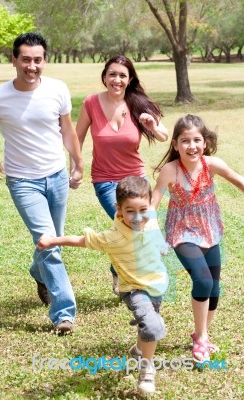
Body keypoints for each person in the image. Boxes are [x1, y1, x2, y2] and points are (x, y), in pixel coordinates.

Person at [0, 32, 83, 334]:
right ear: (14, 60)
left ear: (45, 61)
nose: (32, 66)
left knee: (54, 239)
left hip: (57, 175)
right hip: (23, 181)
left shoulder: (57, 89)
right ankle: (64, 313)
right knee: (50, 244)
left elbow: (67, 129)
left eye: (38, 60)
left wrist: (77, 162)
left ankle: (38, 272)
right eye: (26, 59)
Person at [37, 176, 169, 394]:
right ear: (119, 209)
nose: (138, 217)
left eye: (143, 209)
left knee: (147, 322)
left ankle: (138, 349)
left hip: (156, 285)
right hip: (134, 289)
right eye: (130, 211)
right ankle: (146, 370)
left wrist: (162, 245)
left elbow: (154, 233)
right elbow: (80, 240)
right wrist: (52, 241)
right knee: (153, 325)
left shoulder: (151, 219)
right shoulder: (112, 237)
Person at [152, 114, 244, 362]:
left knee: (214, 288)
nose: (191, 146)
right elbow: (153, 202)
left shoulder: (212, 164)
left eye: (196, 140)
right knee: (203, 282)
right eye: (185, 141)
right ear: (175, 145)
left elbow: (239, 181)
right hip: (182, 232)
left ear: (204, 143)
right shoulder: (169, 171)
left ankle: (201, 334)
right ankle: (202, 340)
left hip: (209, 229)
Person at [74, 55, 168, 294]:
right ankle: (128, 277)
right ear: (104, 77)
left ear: (130, 79)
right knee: (129, 227)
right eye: (112, 74)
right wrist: (76, 166)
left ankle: (125, 274)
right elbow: (77, 138)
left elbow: (164, 136)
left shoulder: (137, 104)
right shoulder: (91, 103)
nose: (117, 79)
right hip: (105, 181)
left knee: (137, 227)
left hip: (136, 179)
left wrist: (152, 126)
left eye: (122, 75)